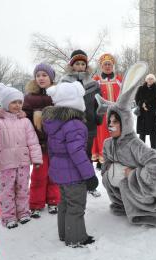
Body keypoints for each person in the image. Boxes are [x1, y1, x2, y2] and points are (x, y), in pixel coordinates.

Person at [98, 62, 156, 227]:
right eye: (109, 121)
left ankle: (149, 210)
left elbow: (155, 164)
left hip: (154, 182)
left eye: (115, 121)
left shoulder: (133, 144)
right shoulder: (108, 143)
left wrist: (134, 174)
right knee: (110, 176)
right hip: (124, 180)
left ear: (124, 122)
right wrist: (110, 169)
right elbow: (107, 164)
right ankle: (124, 204)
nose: (111, 125)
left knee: (124, 180)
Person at [42, 81, 98, 247]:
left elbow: (52, 150)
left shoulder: (54, 123)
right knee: (76, 205)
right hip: (74, 173)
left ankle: (64, 233)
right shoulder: (75, 124)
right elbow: (77, 152)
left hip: (60, 171)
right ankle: (76, 238)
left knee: (64, 203)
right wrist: (89, 175)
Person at [0, 83, 42, 229]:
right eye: (13, 102)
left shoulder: (25, 121)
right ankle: (8, 216)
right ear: (5, 103)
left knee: (23, 189)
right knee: (7, 191)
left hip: (23, 162)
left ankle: (23, 212)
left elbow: (33, 142)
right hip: (6, 164)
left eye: (19, 102)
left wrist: (36, 158)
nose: (17, 105)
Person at [61, 50, 103, 197]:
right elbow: (60, 104)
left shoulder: (93, 84)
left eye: (83, 64)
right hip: (71, 126)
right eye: (77, 63)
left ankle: (90, 185)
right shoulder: (65, 82)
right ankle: (74, 184)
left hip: (89, 125)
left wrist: (98, 118)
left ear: (86, 66)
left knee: (86, 155)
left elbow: (99, 104)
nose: (80, 66)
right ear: (72, 66)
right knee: (73, 155)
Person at [23, 63, 60, 217]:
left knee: (54, 174)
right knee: (39, 175)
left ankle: (53, 201)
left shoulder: (58, 95)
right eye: (38, 75)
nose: (41, 78)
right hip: (38, 143)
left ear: (51, 78)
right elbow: (24, 116)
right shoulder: (29, 98)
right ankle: (36, 203)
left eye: (44, 75)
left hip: (56, 143)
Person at [92, 53, 122, 170]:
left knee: (117, 135)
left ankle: (117, 157)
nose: (108, 66)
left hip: (116, 114)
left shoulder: (119, 79)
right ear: (101, 66)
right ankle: (101, 159)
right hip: (102, 115)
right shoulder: (96, 80)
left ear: (112, 65)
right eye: (105, 64)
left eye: (109, 64)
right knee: (102, 137)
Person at [135, 74, 156, 149]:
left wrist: (147, 105)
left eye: (152, 79)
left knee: (153, 132)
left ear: (154, 80)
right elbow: (137, 98)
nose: (150, 80)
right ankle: (142, 147)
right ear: (146, 80)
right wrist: (142, 105)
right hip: (142, 113)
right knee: (142, 132)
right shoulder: (141, 88)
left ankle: (153, 147)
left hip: (152, 113)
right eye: (149, 79)